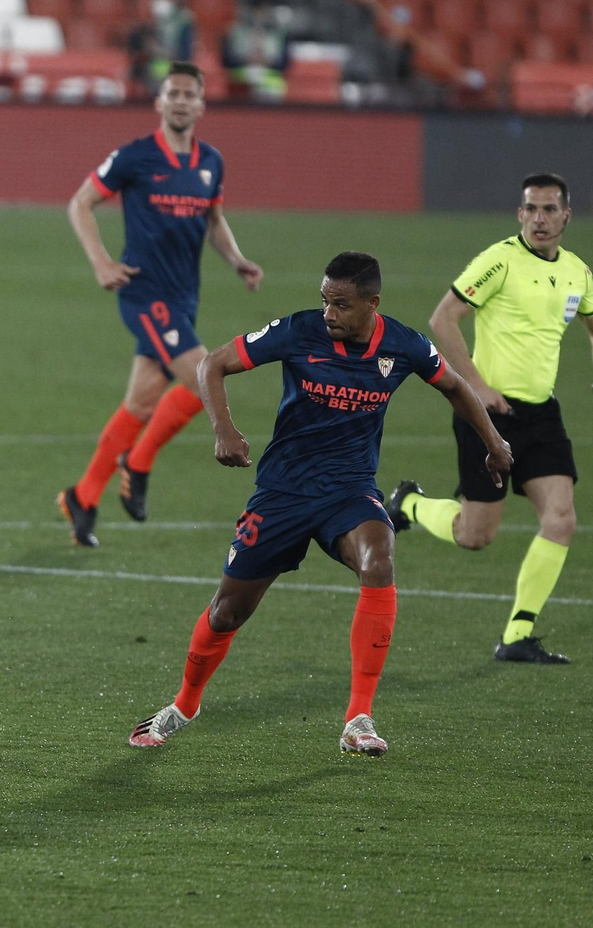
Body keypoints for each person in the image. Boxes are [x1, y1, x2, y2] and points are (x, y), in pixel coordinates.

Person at [129, 252, 510, 756]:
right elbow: (212, 363)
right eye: (325, 301)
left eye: (342, 304)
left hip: (349, 490)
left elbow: (456, 388)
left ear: (372, 304)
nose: (329, 313)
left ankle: (358, 718)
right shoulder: (296, 331)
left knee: (379, 557)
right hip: (283, 492)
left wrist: (494, 442)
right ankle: (184, 704)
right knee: (227, 612)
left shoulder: (405, 345)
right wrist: (224, 430)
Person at [388, 173, 591, 664]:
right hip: (486, 416)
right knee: (475, 536)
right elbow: (442, 318)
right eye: (530, 209)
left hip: (541, 414)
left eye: (548, 209)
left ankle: (518, 636)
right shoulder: (499, 260)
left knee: (560, 520)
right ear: (519, 214)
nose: (539, 218)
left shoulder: (578, 273)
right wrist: (476, 386)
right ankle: (410, 504)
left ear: (567, 215)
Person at [59, 62, 264, 547]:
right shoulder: (134, 157)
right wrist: (101, 262)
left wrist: (235, 259)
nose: (179, 100)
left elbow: (213, 219)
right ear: (159, 101)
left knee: (141, 403)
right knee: (203, 376)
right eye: (171, 92)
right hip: (145, 294)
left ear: (201, 104)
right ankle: (140, 460)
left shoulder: (211, 161)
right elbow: (79, 203)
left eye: (188, 94)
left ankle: (83, 497)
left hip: (182, 298)